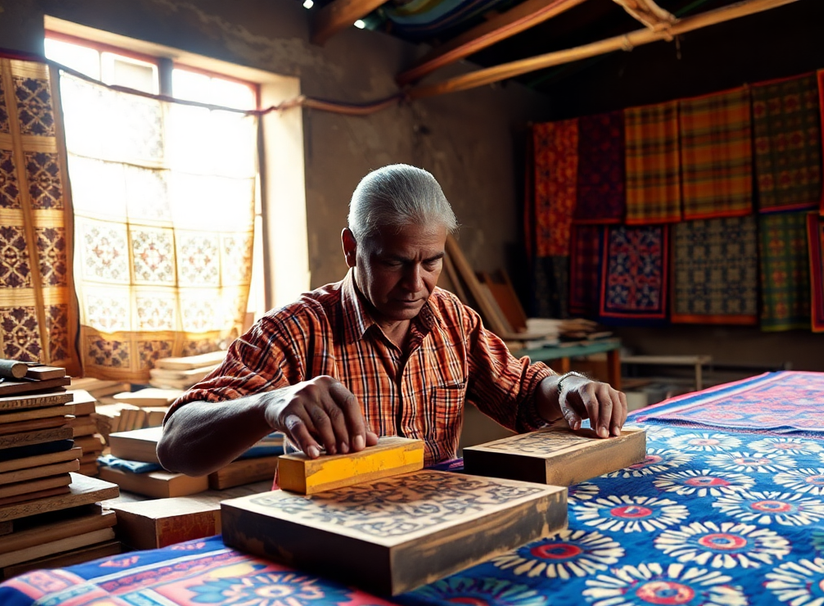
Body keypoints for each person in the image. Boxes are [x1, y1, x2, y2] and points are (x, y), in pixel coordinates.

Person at [158, 164, 627, 476]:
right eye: (394, 262)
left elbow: (524, 394)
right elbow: (175, 444)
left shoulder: (452, 319)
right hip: (336, 532)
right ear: (350, 248)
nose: (416, 285)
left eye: (431, 263)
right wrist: (268, 404)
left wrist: (568, 387)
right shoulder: (295, 331)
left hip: (436, 520)